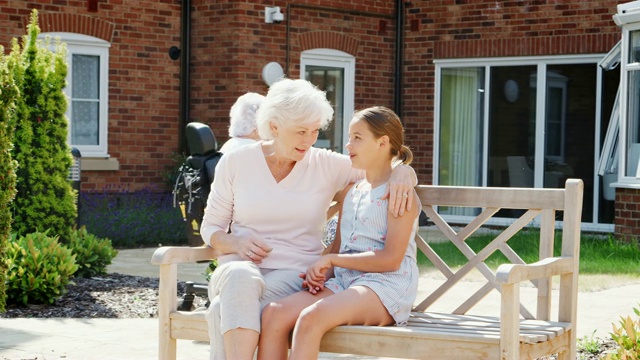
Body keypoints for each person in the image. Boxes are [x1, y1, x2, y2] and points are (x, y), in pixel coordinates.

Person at [200, 79, 417, 360]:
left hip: (295, 277)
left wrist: (403, 171)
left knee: (220, 310)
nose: (310, 140)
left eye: (314, 131)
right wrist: (235, 242)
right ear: (274, 126)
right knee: (240, 276)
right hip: (238, 273)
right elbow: (211, 228)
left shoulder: (325, 163)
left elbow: (378, 169)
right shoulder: (236, 161)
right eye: (301, 131)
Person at [257, 106, 421, 360]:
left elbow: (391, 259)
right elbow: (338, 248)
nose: (348, 145)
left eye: (357, 137)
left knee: (311, 318)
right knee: (273, 313)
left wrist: (333, 260)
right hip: (345, 282)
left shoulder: (399, 192)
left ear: (383, 142)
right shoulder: (352, 191)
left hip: (386, 285)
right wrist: (320, 270)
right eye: (349, 137)